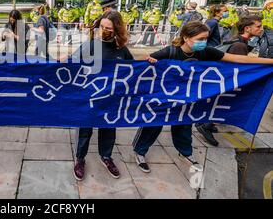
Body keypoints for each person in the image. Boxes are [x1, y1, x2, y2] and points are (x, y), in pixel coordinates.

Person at [132, 21, 273, 173]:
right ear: (186, 38)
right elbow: (139, 65)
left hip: (188, 99)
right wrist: (149, 60)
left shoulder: (206, 52)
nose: (204, 42)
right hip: (165, 98)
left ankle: (185, 153)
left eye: (206, 38)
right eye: (200, 39)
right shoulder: (170, 52)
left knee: (184, 125)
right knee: (153, 125)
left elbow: (239, 59)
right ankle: (140, 152)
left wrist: (270, 62)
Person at [70, 10, 134, 181]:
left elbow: (135, 71)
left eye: (109, 28)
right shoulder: (89, 46)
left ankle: (106, 157)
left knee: (108, 130)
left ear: (117, 30)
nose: (104, 30)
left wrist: (152, 63)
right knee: (84, 130)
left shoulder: (122, 50)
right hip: (89, 98)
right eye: (102, 27)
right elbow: (71, 65)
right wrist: (65, 59)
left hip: (110, 100)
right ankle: (80, 159)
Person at [196, 15, 265, 146]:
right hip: (228, 82)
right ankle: (205, 126)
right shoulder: (240, 45)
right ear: (247, 28)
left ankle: (206, 123)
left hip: (223, 80)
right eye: (258, 26)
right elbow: (238, 67)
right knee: (228, 103)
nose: (261, 29)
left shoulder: (239, 41)